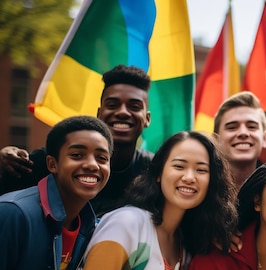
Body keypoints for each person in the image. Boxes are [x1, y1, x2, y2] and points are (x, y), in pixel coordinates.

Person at [60, 131, 237, 270]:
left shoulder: (186, 243)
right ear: (158, 173)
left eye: (201, 170)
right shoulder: (126, 225)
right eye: (179, 166)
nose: (190, 177)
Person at [0, 116, 112, 270]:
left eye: (102, 158)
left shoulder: (94, 230)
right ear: (52, 164)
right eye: (77, 155)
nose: (92, 164)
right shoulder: (12, 214)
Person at [0, 64, 153, 216]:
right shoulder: (53, 159)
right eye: (112, 105)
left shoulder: (154, 170)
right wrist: (4, 164)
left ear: (147, 119)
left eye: (134, 106)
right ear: (99, 113)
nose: (122, 112)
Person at [213, 91, 266, 189]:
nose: (243, 133)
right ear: (216, 139)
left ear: (265, 138)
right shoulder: (202, 190)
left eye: (251, 127)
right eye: (232, 127)